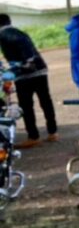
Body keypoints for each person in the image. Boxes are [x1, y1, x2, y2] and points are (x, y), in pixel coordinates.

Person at [0, 13, 57, 148]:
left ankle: (33, 136)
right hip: (40, 70)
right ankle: (52, 132)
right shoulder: (18, 32)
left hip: (25, 73)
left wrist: (24, 64)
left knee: (26, 105)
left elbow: (23, 52)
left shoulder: (4, 35)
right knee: (45, 101)